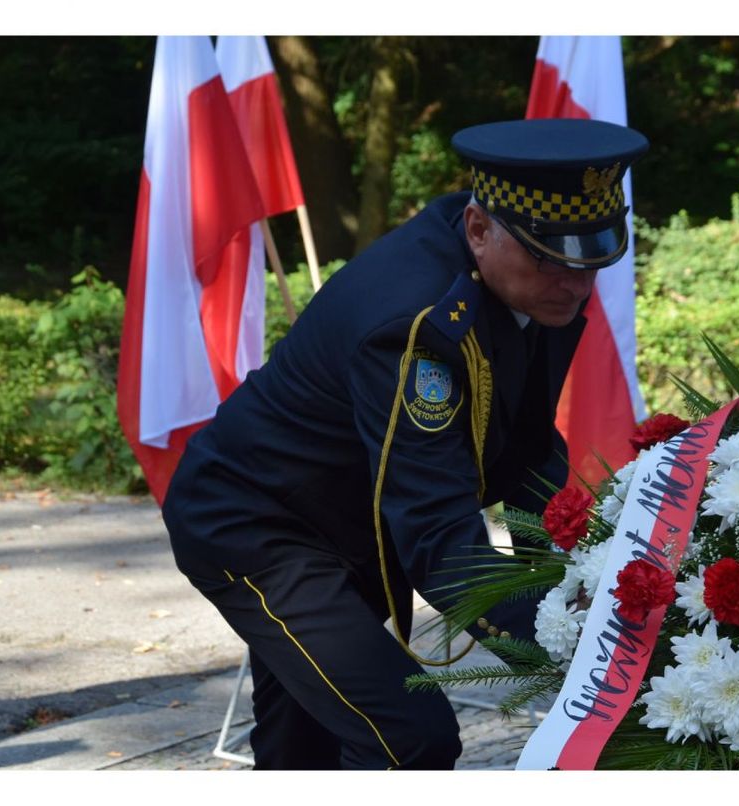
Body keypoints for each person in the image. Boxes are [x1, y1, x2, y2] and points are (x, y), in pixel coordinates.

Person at [162, 117, 650, 770]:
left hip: (348, 513)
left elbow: (522, 455)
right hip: (255, 522)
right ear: (479, 230)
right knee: (407, 737)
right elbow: (434, 528)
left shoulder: (530, 282)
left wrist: (561, 575)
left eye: (592, 259)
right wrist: (558, 644)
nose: (575, 282)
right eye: (549, 256)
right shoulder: (417, 325)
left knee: (303, 740)